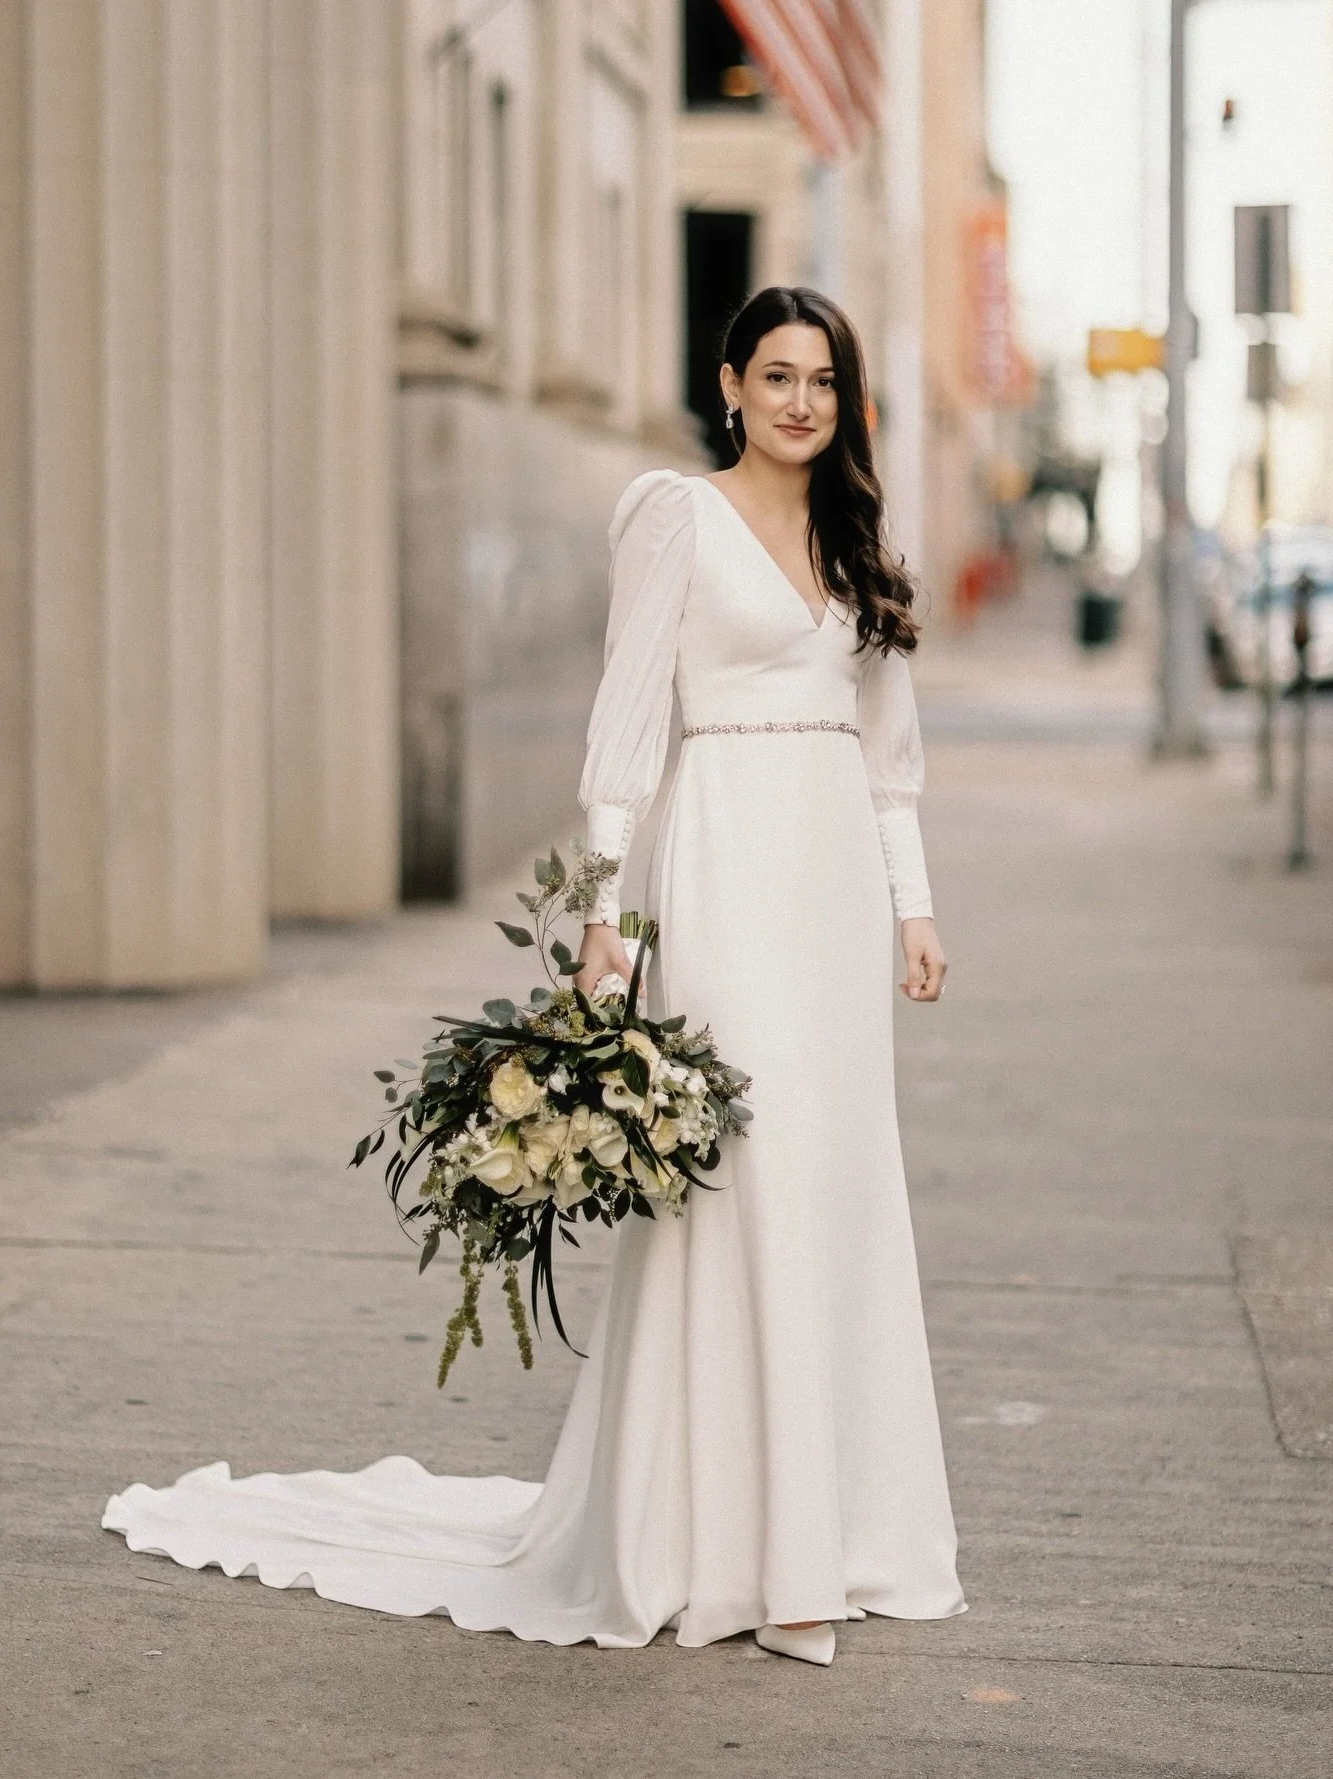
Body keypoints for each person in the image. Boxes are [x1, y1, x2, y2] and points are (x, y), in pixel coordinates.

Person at [103, 286, 965, 1667]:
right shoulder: (673, 517)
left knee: (834, 1186)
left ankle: (833, 1527)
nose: (803, 400)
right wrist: (607, 911)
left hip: (831, 900)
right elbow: (627, 717)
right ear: (730, 382)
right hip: (723, 874)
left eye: (825, 379)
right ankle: (743, 1555)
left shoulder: (861, 540)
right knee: (744, 1181)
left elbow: (888, 752)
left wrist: (912, 908)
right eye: (779, 375)